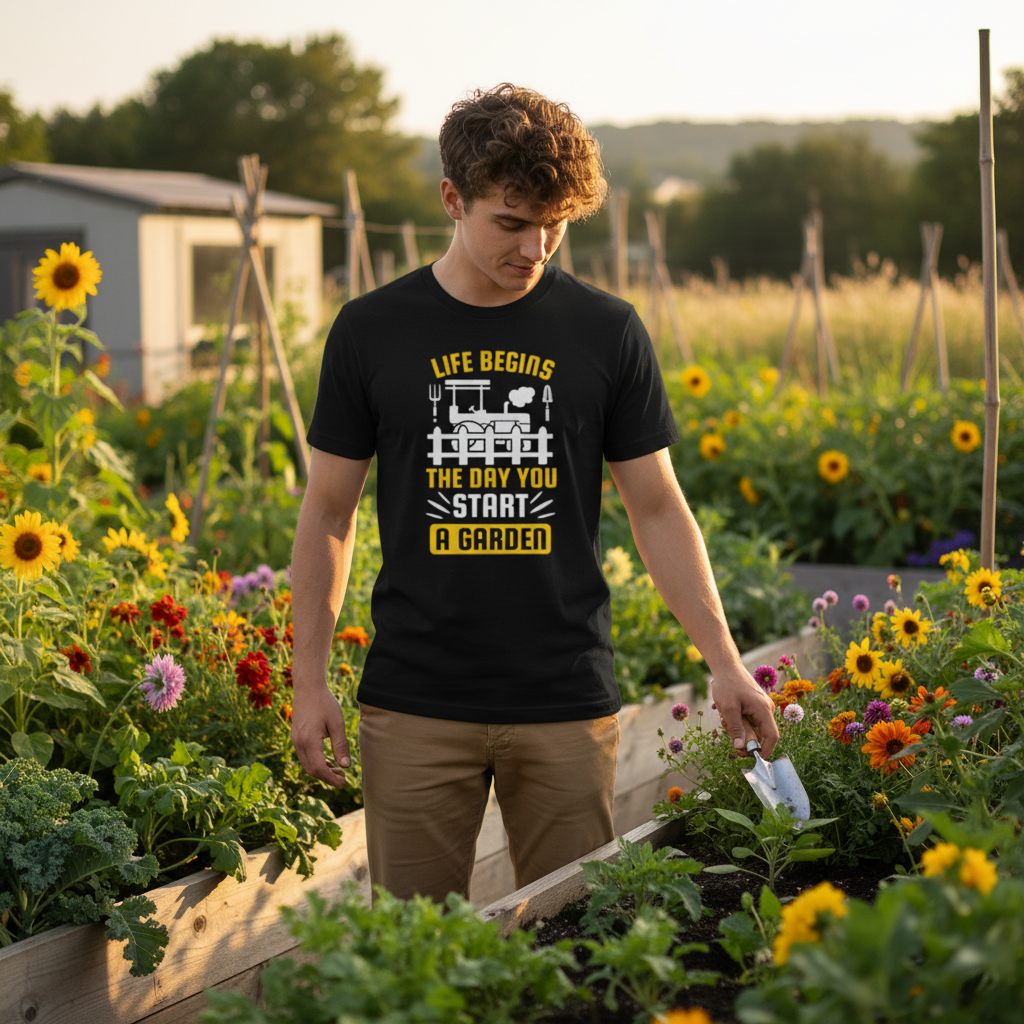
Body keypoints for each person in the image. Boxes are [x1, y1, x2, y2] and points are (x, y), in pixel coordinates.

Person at [290, 83, 777, 904]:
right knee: (414, 952)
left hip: (562, 696)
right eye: (511, 224)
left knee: (578, 944)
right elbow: (329, 513)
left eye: (556, 224)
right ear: (453, 198)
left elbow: (656, 505)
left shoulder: (604, 330)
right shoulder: (372, 331)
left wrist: (725, 662)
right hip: (415, 699)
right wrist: (309, 681)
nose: (536, 248)